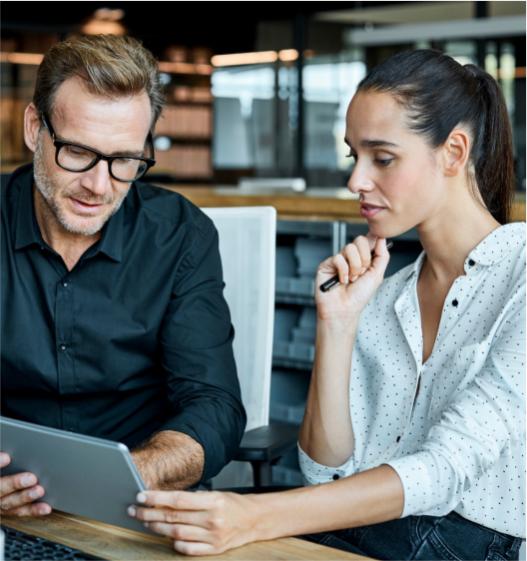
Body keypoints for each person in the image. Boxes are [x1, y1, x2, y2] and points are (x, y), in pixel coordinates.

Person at [128, 49, 525, 560]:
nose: (356, 181)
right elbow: (325, 470)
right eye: (353, 157)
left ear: (453, 152)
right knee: (169, 535)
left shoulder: (520, 276)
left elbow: (444, 470)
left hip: (469, 541)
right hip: (376, 528)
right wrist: (336, 325)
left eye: (382, 158)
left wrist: (254, 517)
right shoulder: (388, 293)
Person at [0, 34, 246, 517]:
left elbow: (214, 407)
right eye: (76, 152)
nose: (98, 185)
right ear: (34, 128)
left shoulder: (181, 236)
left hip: (139, 506)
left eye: (125, 161)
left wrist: (131, 474)